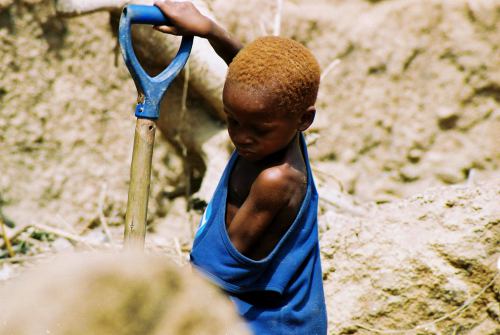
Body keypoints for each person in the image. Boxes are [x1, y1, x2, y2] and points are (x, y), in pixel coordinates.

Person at [154, 1, 327, 334]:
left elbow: (214, 274)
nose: (241, 137)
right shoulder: (276, 122)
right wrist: (207, 29)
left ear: (304, 120)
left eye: (257, 129)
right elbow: (246, 71)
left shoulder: (277, 180)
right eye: (232, 120)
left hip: (271, 325)